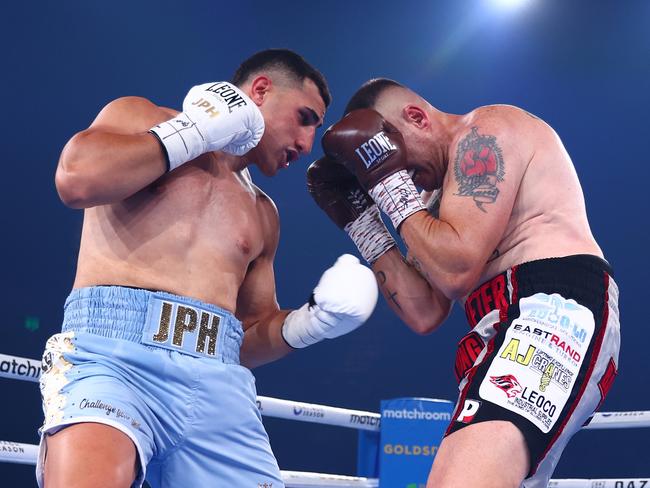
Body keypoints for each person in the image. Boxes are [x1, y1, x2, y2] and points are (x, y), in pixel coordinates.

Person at [38, 49, 379, 488]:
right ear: (260, 90)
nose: (306, 143)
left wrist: (313, 322)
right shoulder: (142, 116)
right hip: (111, 358)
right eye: (304, 117)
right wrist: (193, 131)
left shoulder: (262, 213)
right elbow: (76, 178)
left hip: (218, 383)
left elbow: (248, 334)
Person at [307, 78, 620, 488]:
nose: (406, 181)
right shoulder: (431, 204)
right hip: (500, 324)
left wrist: (386, 180)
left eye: (396, 160)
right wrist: (364, 224)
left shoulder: (485, 132)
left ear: (417, 117)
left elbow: (457, 269)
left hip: (555, 308)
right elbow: (425, 312)